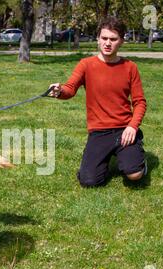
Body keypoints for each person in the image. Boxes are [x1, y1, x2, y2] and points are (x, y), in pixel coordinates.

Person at [49, 16, 147, 187]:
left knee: (134, 174)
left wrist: (132, 126)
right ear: (98, 39)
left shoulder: (130, 67)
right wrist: (59, 91)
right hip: (99, 132)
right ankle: (105, 158)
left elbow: (140, 102)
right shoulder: (86, 65)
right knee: (89, 181)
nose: (108, 43)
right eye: (104, 38)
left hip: (124, 129)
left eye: (113, 39)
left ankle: (136, 159)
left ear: (121, 41)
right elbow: (70, 89)